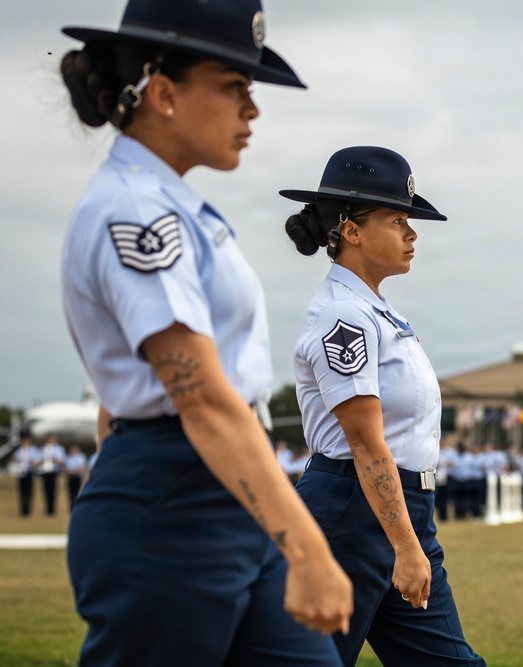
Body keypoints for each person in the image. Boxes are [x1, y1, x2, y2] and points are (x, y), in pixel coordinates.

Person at [58, 1, 352, 665]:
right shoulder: (135, 212)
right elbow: (200, 398)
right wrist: (307, 547)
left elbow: (131, 387)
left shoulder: (172, 206)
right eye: (234, 86)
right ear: (162, 92)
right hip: (172, 503)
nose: (253, 109)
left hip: (228, 488)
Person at [282, 146, 487, 667]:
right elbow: (366, 441)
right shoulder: (342, 316)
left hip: (398, 512)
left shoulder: (378, 311)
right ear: (351, 231)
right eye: (398, 220)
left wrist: (409, 538)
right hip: (351, 512)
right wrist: (405, 546)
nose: (412, 233)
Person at [39, 435, 67, 515]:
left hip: (54, 471)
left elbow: (62, 460)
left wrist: (54, 459)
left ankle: (52, 509)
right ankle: (47, 508)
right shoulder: (44, 448)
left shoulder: (59, 449)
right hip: (45, 471)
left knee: (53, 491)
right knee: (45, 491)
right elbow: (39, 459)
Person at [13, 435, 40, 517]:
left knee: (29, 492)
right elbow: (14, 458)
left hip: (29, 472)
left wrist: (32, 462)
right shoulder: (19, 451)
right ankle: (22, 510)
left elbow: (37, 461)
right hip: (21, 473)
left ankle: (28, 510)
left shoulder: (33, 450)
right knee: (22, 492)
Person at [64, 444, 89, 511]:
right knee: (71, 494)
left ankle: (78, 507)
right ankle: (71, 508)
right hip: (70, 477)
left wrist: (77, 471)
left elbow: (83, 467)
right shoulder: (68, 457)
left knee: (78, 493)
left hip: (78, 477)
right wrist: (71, 472)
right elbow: (65, 468)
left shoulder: (81, 457)